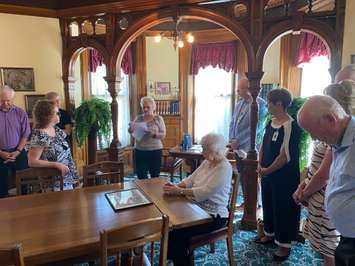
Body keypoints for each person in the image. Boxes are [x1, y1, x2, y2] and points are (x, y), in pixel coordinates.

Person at [293, 81, 355, 266]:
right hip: (347, 236)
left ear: (331, 119)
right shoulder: (339, 139)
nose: (312, 138)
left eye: (312, 131)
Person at [163, 133, 232, 266]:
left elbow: (205, 192)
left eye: (204, 149)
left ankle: (178, 260)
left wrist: (179, 191)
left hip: (214, 216)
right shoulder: (207, 162)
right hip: (197, 207)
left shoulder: (224, 167)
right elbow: (190, 179)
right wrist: (175, 186)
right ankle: (174, 258)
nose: (202, 152)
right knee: (171, 225)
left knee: (177, 233)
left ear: (214, 150)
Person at [256, 88, 301, 262]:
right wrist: (260, 164)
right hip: (267, 172)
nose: (267, 105)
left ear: (279, 104)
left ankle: (284, 244)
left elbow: (285, 156)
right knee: (268, 203)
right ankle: (269, 234)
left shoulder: (291, 125)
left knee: (283, 208)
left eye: (269, 102)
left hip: (284, 177)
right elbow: (263, 145)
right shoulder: (271, 122)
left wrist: (267, 170)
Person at [229, 78, 267, 208]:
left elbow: (257, 128)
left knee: (252, 177)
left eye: (240, 89)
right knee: (242, 175)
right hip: (237, 148)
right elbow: (232, 123)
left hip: (251, 148)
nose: (237, 91)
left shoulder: (261, 105)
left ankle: (255, 203)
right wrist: (232, 139)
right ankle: (246, 201)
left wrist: (238, 142)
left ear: (249, 89)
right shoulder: (239, 104)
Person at [28, 100, 79, 190]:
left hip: (66, 179)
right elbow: (32, 161)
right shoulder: (40, 135)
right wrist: (56, 165)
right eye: (56, 113)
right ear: (47, 116)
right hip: (52, 182)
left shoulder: (56, 129)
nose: (59, 115)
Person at [0, 85, 30, 197]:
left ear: (12, 99)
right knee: (1, 185)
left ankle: (24, 204)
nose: (5, 103)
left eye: (8, 100)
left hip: (18, 151)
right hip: (0, 153)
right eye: (2, 100)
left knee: (23, 183)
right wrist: (1, 153)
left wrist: (17, 151)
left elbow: (25, 134)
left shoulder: (20, 112)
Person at [128, 96, 166, 179]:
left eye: (147, 107)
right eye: (143, 107)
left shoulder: (158, 119)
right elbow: (131, 131)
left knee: (155, 175)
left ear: (153, 107)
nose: (145, 109)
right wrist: (131, 128)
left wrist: (154, 134)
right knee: (141, 175)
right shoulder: (138, 118)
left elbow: (163, 135)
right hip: (140, 150)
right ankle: (143, 192)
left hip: (155, 150)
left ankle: (153, 192)